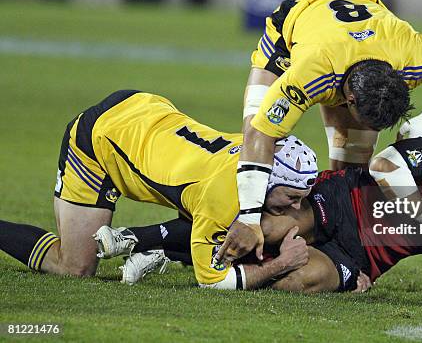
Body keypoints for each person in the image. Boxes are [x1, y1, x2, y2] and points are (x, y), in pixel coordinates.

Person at [106, 110, 422, 296]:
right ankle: (143, 239)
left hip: (361, 257)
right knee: (279, 228)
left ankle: (188, 256)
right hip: (344, 200)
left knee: (307, 278)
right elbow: (384, 166)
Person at [221, 0, 422, 268]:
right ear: (349, 101)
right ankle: (221, 229)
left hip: (363, 25)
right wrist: (249, 217)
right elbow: (262, 134)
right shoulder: (311, 72)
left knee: (351, 171)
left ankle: (324, 246)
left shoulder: (413, 57)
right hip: (295, 27)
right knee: (254, 140)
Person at [0, 90, 318, 290]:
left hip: (144, 109)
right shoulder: (221, 198)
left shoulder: (253, 146)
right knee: (75, 267)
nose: (294, 208)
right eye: (291, 197)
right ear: (266, 179)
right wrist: (281, 265)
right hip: (98, 142)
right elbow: (214, 280)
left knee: (226, 227)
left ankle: (137, 243)